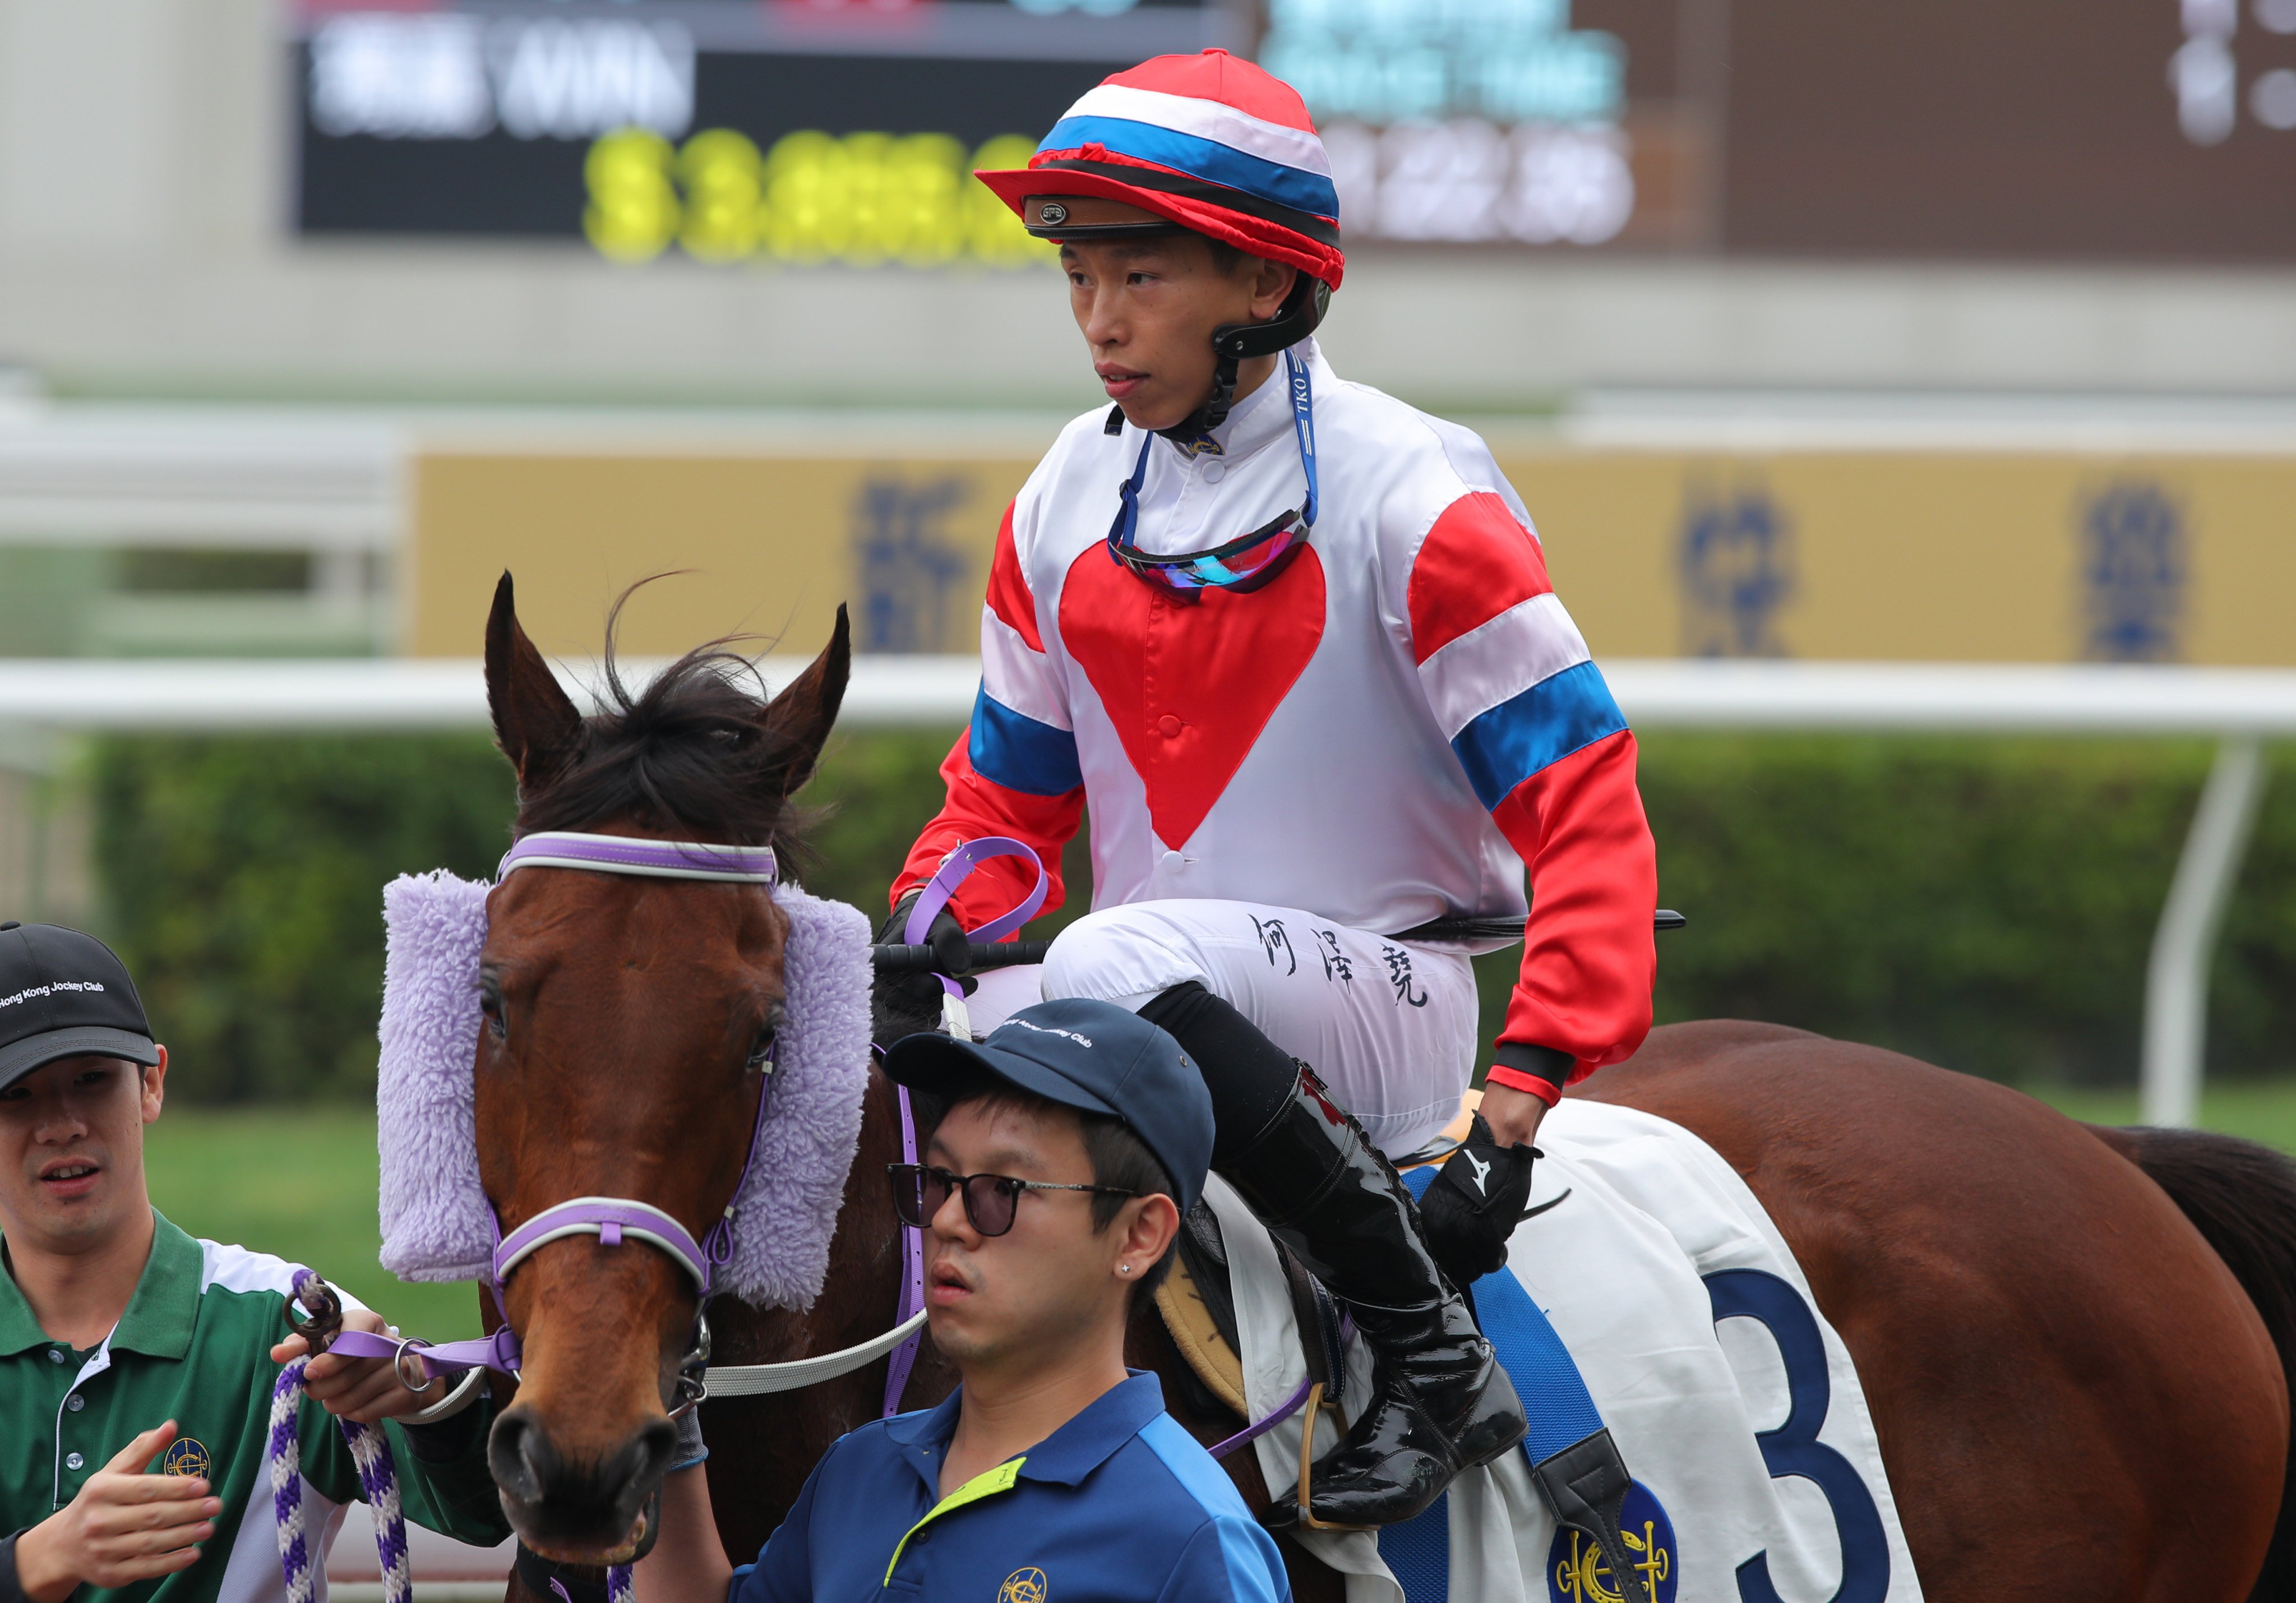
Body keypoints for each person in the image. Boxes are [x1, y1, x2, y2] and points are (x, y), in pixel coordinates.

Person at [882, 49, 1660, 1528]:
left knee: (1105, 957)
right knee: (964, 1023)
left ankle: (1428, 1345)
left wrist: (1509, 1116)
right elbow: (997, 812)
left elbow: (1589, 815)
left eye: (1142, 277)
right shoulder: (1060, 496)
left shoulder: (1415, 501)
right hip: (1156, 1013)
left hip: (1386, 1013)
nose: (1100, 322)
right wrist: (929, 925)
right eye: (1078, 280)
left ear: (1257, 283)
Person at [635, 997, 1290, 1603]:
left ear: (1140, 1235)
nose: (948, 1220)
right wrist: (663, 1410)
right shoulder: (860, 1471)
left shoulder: (1191, 1540)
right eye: (941, 1180)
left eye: (1001, 1188)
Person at [0, 921, 508, 1603]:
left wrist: (422, 1404)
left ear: (151, 1085)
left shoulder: (289, 1320)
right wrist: (36, 1561)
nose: (62, 1122)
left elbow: (487, 1516)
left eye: (92, 1080)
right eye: (16, 1094)